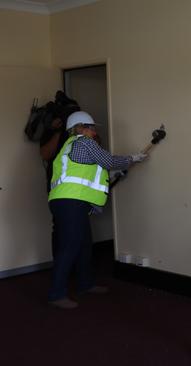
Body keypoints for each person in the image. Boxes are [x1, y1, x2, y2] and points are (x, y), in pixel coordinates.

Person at [47, 111, 147, 309]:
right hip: (71, 202)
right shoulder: (85, 142)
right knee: (70, 246)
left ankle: (85, 284)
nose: (94, 132)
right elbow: (108, 161)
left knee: (84, 244)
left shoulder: (69, 146)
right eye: (92, 128)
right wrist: (132, 158)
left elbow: (96, 169)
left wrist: (117, 171)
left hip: (67, 201)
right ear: (82, 128)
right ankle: (56, 294)